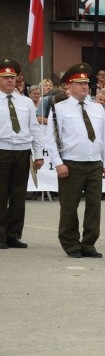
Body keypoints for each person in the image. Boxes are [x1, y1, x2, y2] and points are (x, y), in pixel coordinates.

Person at [44, 63, 105, 258]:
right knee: (69, 206)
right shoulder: (60, 108)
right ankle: (71, 243)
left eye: (86, 82)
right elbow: (52, 138)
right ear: (69, 86)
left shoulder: (98, 108)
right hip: (71, 163)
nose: (84, 86)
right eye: (79, 83)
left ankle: (89, 243)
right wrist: (58, 163)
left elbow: (104, 138)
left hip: (94, 164)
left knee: (94, 206)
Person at [0, 58, 44, 249]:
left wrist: (39, 154)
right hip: (2, 150)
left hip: (22, 151)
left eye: (12, 77)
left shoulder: (26, 102)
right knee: (1, 194)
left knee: (18, 195)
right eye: (5, 77)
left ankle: (13, 234)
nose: (10, 81)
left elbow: (34, 129)